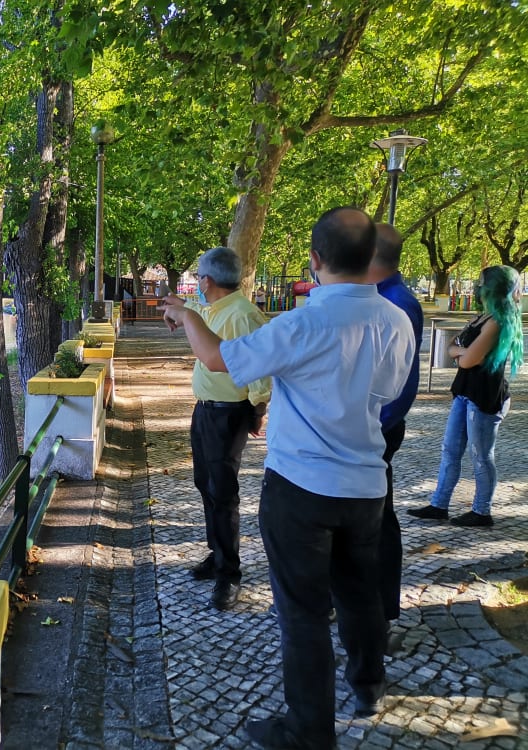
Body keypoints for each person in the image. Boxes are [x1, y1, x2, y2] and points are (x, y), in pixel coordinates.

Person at [161, 207, 414, 750]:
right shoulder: (396, 321)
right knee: (359, 592)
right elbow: (392, 394)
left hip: (301, 486)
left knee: (303, 611)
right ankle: (368, 685)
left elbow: (218, 358)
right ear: (369, 257)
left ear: (315, 259)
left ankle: (308, 729)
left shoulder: (302, 324)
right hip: (367, 485)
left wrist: (185, 314)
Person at [164, 247, 271, 611]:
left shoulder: (242, 315)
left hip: (228, 413)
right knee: (206, 484)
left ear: (207, 281)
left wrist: (257, 410)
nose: (197, 283)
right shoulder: (218, 308)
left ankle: (229, 572)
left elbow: (259, 372)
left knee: (223, 493)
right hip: (207, 410)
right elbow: (201, 318)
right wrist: (181, 309)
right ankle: (217, 553)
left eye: (198, 277)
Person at [408, 265, 523, 527]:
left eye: (482, 283)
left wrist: (462, 353)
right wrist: (462, 353)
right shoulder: (481, 318)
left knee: (481, 456)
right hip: (465, 391)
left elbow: (467, 359)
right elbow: (452, 348)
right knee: (450, 450)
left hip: (485, 396)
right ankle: (439, 505)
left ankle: (482, 511)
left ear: (493, 288)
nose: (478, 287)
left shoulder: (497, 322)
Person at [368, 223, 424, 629]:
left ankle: (381, 609)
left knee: (377, 518)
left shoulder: (396, 303)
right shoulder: (381, 297)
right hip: (371, 427)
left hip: (377, 430)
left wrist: (374, 430)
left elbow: (402, 385)